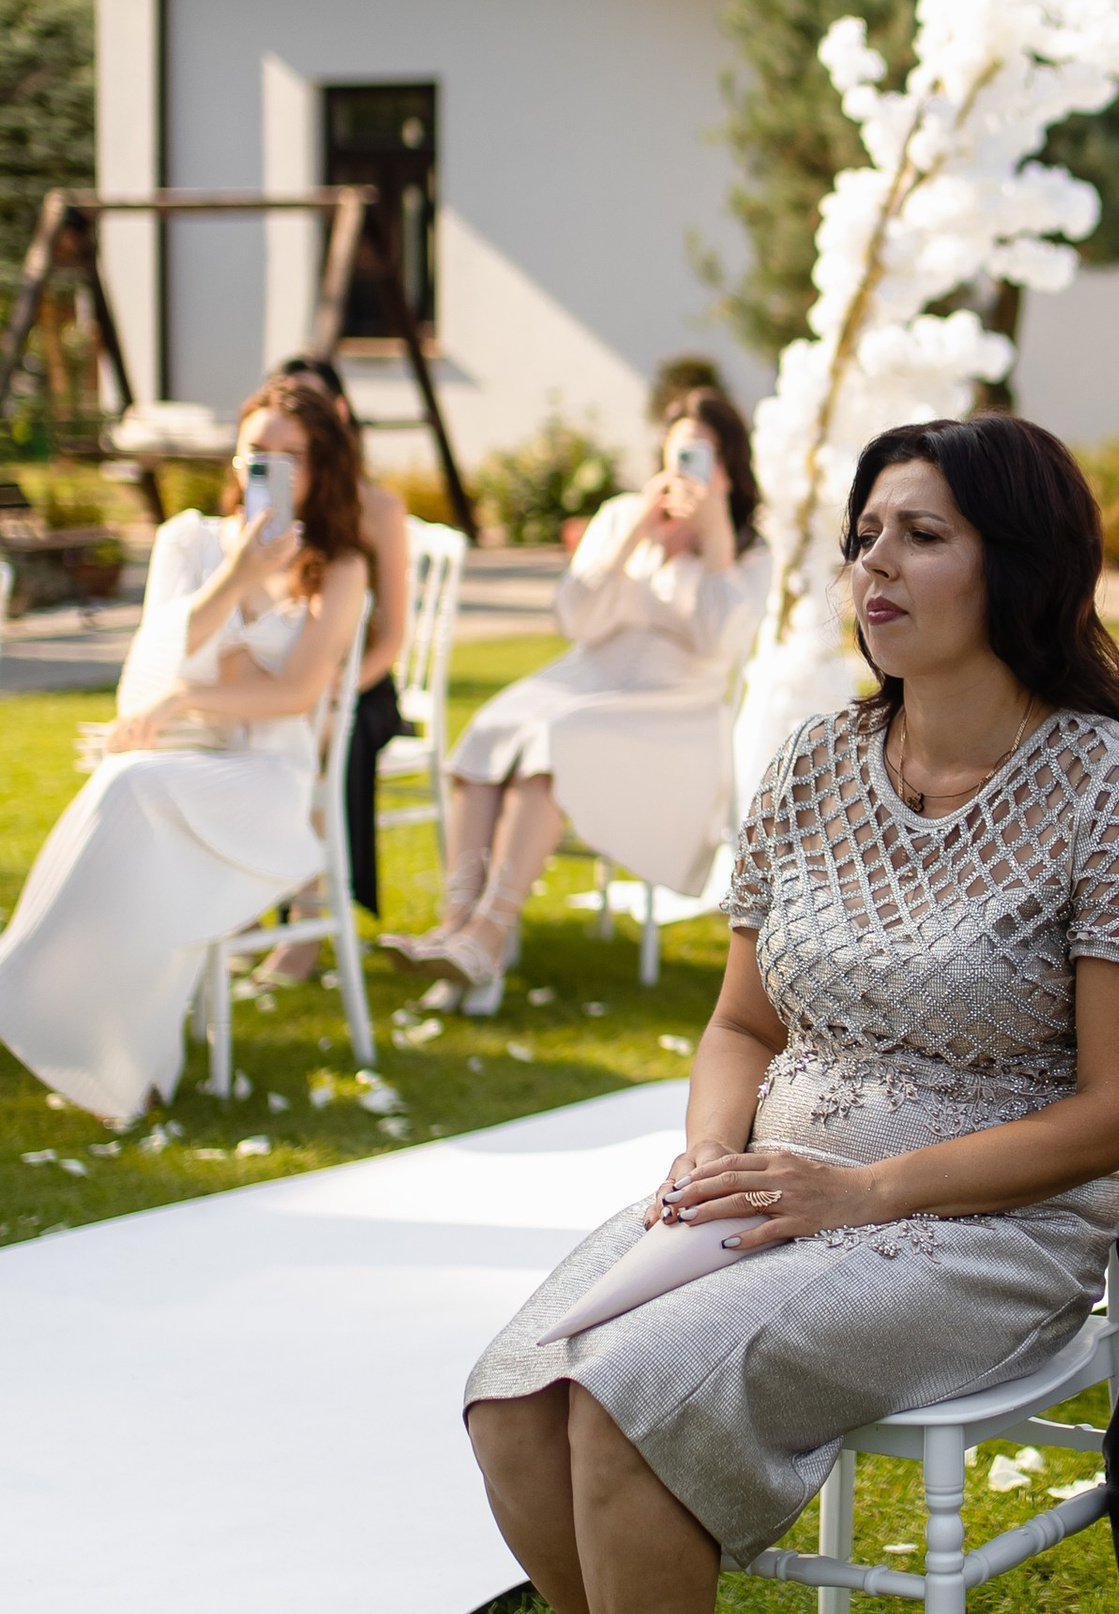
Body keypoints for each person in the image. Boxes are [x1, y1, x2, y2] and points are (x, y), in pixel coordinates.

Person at [463, 415, 1119, 1614]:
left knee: (621, 1397)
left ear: (1019, 562)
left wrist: (855, 1189)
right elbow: (742, 1023)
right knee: (515, 1394)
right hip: (773, 1182)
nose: (874, 565)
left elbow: (1114, 1115)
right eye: (867, 533)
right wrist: (710, 1157)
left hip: (981, 1225)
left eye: (919, 534)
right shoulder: (811, 760)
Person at [0, 376, 370, 1122]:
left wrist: (191, 693)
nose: (268, 466)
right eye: (255, 449)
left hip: (268, 778)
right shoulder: (190, 540)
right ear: (233, 456)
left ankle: (28, 996)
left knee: (130, 785)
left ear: (321, 466)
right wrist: (237, 578)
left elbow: (296, 693)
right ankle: (89, 1033)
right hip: (185, 754)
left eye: (289, 454)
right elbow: (153, 663)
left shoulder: (339, 566)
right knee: (130, 784)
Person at [396, 387, 772, 1004]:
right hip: (588, 678)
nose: (689, 475)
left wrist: (714, 543)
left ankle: (487, 935)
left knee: (552, 741)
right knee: (494, 726)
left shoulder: (750, 551)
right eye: (680, 457)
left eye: (706, 459)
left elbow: (717, 642)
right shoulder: (625, 516)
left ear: (732, 468)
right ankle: (456, 922)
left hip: (671, 711)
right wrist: (633, 540)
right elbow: (575, 618)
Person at [256, 352, 413, 973]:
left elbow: (393, 636)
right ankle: (242, 899)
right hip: (290, 672)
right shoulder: (260, 510)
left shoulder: (379, 509)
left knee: (323, 732)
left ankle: (308, 921)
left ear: (340, 420)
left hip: (363, 685)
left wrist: (335, 695)